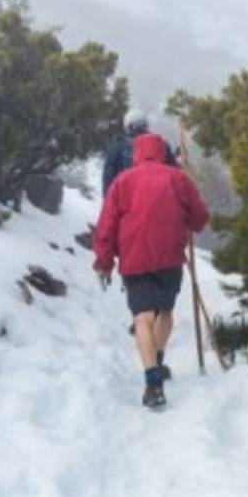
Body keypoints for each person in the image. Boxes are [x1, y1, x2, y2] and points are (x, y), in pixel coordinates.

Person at [93, 133, 209, 410]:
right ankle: (157, 360)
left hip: (134, 258)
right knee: (165, 312)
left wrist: (104, 263)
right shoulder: (178, 178)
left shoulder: (122, 182)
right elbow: (200, 218)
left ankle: (153, 383)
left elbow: (106, 226)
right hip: (169, 257)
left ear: (136, 154)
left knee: (142, 318)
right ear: (162, 152)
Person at [102, 110, 177, 198]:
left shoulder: (117, 148)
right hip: (161, 199)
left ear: (127, 127)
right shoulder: (161, 144)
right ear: (146, 125)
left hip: (129, 201)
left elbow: (108, 180)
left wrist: (108, 204)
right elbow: (174, 173)